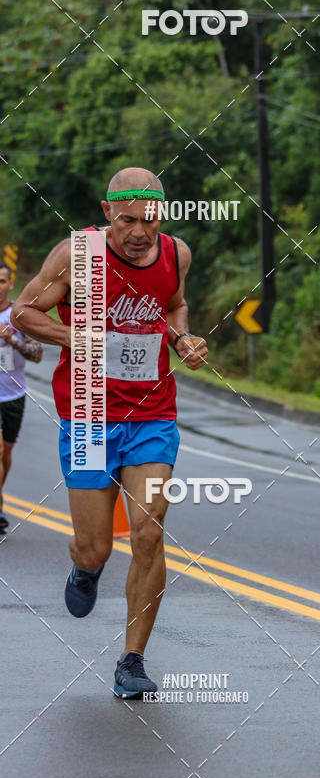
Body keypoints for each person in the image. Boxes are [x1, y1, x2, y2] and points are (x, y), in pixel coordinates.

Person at [11, 167, 207, 698]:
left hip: (152, 415)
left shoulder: (176, 254)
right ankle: (86, 566)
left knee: (148, 530)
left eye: (150, 220)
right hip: (88, 414)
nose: (139, 232)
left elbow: (174, 306)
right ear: (107, 213)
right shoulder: (77, 255)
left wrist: (183, 339)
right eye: (127, 221)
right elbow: (23, 312)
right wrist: (74, 335)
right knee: (95, 546)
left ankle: (132, 660)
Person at [0, 261, 43, 534]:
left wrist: (13, 341)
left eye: (2, 281)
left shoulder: (19, 316)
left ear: (11, 284)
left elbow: (37, 354)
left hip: (13, 395)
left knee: (5, 453)